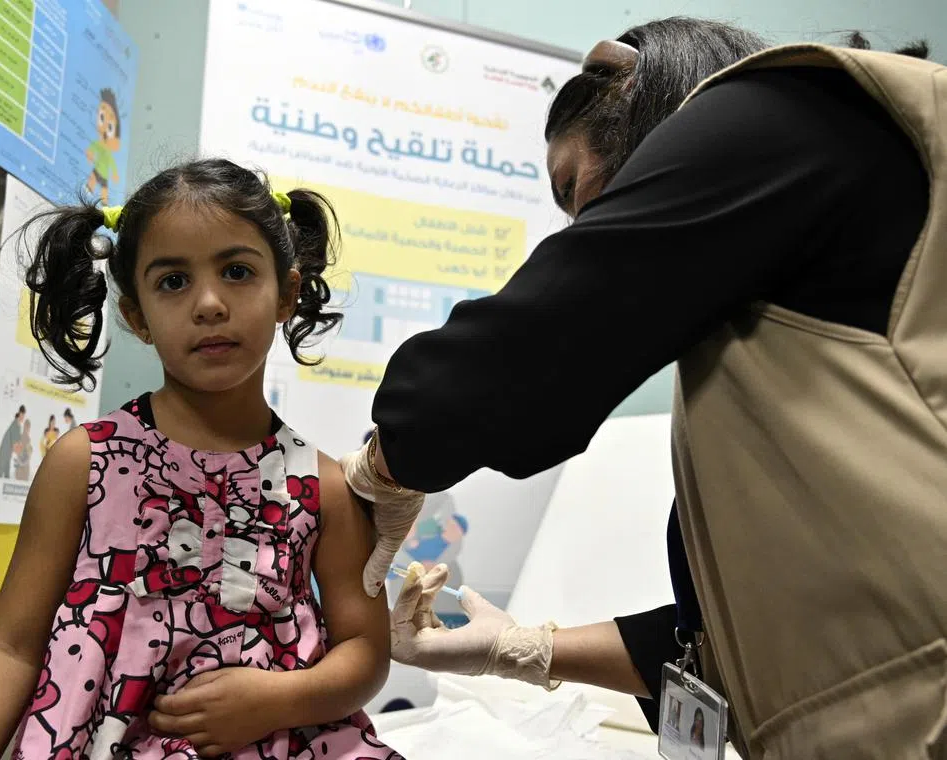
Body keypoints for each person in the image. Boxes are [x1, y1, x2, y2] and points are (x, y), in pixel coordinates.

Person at [342, 17, 945, 759]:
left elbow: (499, 377)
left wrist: (382, 468)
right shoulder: (797, 349)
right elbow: (736, 642)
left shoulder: (778, 110)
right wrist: (518, 648)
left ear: (632, 92)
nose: (585, 228)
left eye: (576, 190)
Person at [0, 159, 401, 760]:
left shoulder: (324, 485)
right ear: (137, 316)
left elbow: (366, 650)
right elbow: (9, 648)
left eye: (237, 271)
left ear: (286, 293)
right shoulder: (85, 463)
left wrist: (281, 700)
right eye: (173, 281)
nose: (209, 303)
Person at [0, 405, 25, 479]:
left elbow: (18, 442)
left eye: (23, 415)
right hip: (3, 454)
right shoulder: (15, 426)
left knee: (6, 475)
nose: (23, 417)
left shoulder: (18, 426)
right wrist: (21, 456)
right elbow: (15, 445)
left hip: (8, 455)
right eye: (22, 415)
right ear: (20, 414)